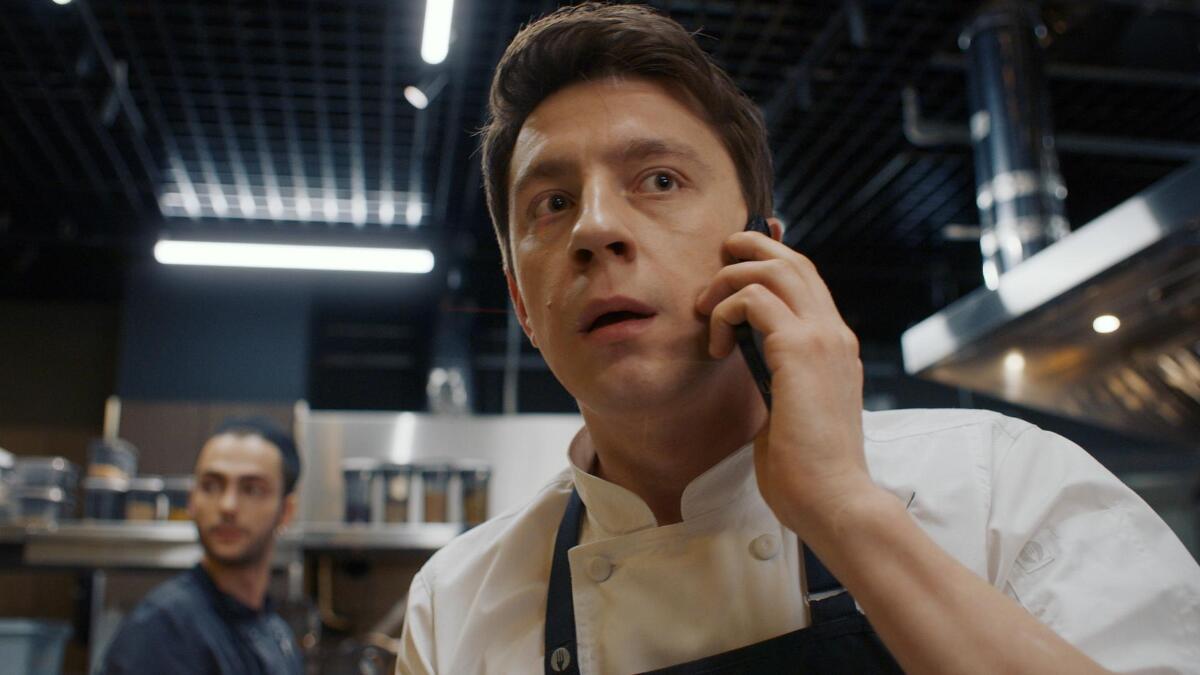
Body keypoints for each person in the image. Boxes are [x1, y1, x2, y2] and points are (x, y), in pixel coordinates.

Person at [397, 4, 1200, 674]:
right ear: (522, 303)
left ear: (764, 253)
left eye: (660, 180)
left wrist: (844, 507)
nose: (596, 226)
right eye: (552, 202)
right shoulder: (456, 606)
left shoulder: (1003, 488)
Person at [100, 417, 304, 675]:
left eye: (252, 489)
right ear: (192, 501)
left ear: (286, 511)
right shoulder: (162, 632)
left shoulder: (275, 633)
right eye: (211, 486)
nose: (227, 505)